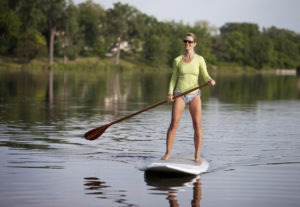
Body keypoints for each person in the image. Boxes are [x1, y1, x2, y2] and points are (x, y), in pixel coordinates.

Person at [161, 32, 216, 163]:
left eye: (190, 42)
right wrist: (170, 93)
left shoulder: (200, 59)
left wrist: (210, 80)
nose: (187, 43)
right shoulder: (177, 60)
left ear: (194, 44)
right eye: (185, 41)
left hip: (195, 94)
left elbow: (205, 75)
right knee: (174, 124)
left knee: (197, 125)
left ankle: (197, 156)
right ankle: (168, 153)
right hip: (180, 94)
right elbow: (173, 78)